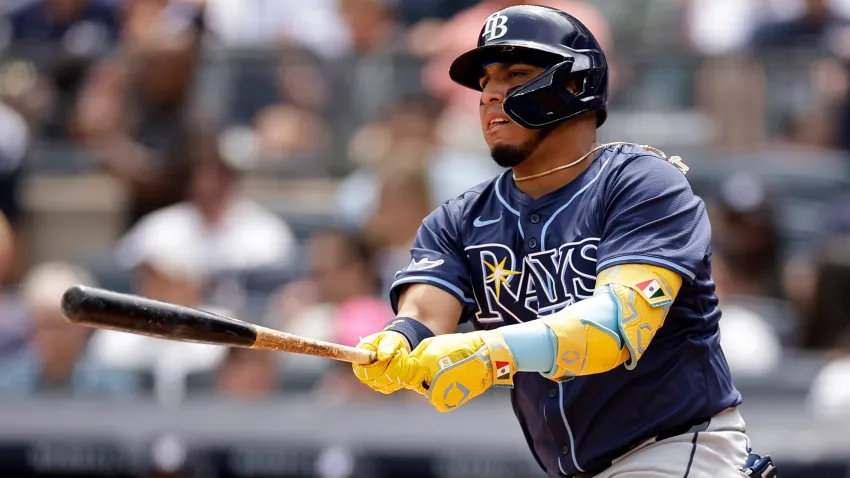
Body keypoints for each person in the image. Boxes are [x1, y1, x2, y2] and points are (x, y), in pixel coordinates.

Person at [350, 6, 778, 478]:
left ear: (575, 84)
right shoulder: (458, 219)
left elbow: (617, 326)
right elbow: (425, 316)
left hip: (677, 450)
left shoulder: (640, 183)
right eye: (485, 81)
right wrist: (399, 341)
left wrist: (489, 353)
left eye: (515, 75)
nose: (491, 94)